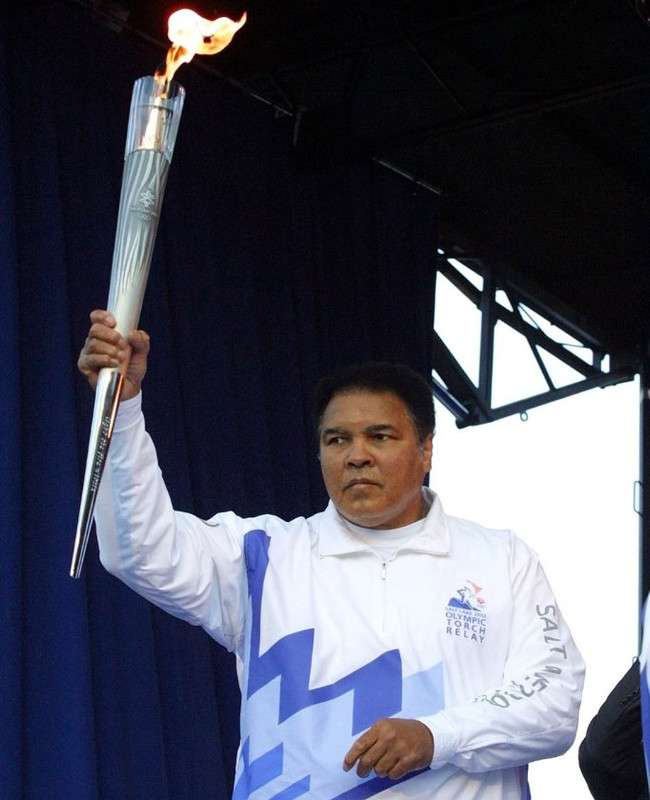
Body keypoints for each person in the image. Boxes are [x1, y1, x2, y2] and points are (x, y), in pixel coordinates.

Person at [79, 309, 585, 800]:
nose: (357, 455)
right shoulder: (263, 556)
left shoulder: (500, 561)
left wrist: (437, 735)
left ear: (426, 449)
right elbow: (138, 549)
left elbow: (554, 700)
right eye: (337, 439)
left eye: (380, 436)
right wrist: (120, 409)